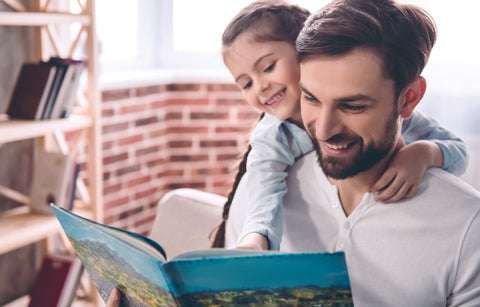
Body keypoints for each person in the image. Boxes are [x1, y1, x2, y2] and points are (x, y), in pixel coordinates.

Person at [226, 0, 480, 305]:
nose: (322, 132)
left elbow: (454, 149)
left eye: (353, 106)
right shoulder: (259, 187)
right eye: (312, 98)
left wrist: (425, 153)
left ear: (408, 99)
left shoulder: (468, 227)